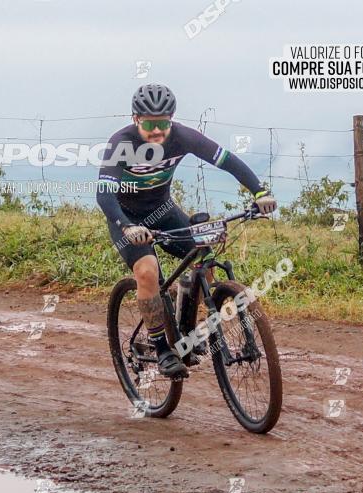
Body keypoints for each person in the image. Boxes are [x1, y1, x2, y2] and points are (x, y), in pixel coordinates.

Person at [97, 83, 277, 379]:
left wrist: (260, 192)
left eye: (164, 123)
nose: (157, 131)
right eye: (150, 124)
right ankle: (161, 347)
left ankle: (186, 328)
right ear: (135, 120)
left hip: (163, 210)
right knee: (147, 271)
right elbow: (104, 195)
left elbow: (227, 160)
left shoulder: (182, 137)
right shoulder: (121, 143)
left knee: (204, 255)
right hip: (126, 217)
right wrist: (127, 226)